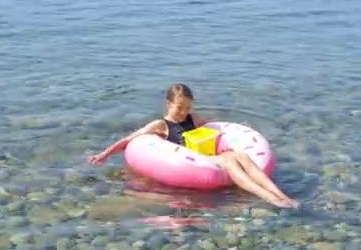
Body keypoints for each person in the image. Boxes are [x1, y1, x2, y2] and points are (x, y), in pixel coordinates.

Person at [86, 83, 300, 208]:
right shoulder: (161, 125)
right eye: (179, 107)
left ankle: (280, 194)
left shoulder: (193, 118)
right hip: (196, 163)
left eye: (187, 107)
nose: (183, 112)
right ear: (169, 104)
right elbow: (128, 140)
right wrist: (104, 155)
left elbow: (214, 130)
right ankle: (269, 198)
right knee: (229, 159)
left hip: (208, 157)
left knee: (241, 156)